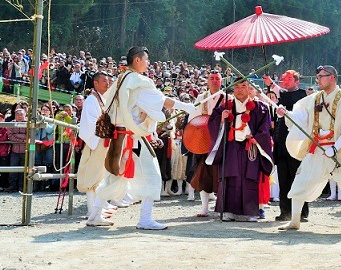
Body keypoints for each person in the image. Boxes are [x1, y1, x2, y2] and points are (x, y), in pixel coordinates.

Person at [87, 46, 195, 229]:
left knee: (115, 176)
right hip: (133, 137)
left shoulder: (121, 79)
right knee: (152, 175)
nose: (148, 63)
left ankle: (94, 216)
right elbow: (160, 100)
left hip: (121, 136)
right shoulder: (137, 81)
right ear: (137, 60)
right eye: (146, 60)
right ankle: (145, 219)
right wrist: (185, 106)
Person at [277, 65, 341, 234]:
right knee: (300, 183)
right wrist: (287, 114)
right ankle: (294, 221)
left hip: (340, 151)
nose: (318, 80)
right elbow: (302, 118)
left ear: (332, 77)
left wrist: (335, 147)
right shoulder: (313, 99)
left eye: (321, 76)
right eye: (317, 77)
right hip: (317, 150)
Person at [206, 79, 273, 222]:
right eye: (236, 87)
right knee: (230, 177)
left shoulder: (260, 107)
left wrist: (257, 138)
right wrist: (222, 119)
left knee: (250, 178)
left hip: (250, 146)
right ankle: (228, 211)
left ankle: (249, 213)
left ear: (250, 89)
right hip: (231, 146)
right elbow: (212, 122)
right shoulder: (226, 107)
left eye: (243, 86)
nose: (239, 89)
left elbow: (265, 129)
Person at [264, 70, 309, 222]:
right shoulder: (280, 96)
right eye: (284, 79)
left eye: (289, 79)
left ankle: (301, 212)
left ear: (297, 81)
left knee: (298, 177)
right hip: (281, 142)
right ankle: (285, 211)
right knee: (283, 179)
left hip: (297, 142)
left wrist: (272, 84)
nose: (286, 81)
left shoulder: (303, 96)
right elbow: (277, 91)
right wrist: (270, 83)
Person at [186, 70, 223, 216]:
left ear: (221, 81)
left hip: (222, 141)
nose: (214, 81)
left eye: (217, 78)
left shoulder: (227, 98)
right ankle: (204, 208)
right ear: (207, 81)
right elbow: (193, 120)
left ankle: (221, 206)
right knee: (203, 175)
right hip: (204, 142)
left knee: (221, 174)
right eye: (211, 78)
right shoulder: (201, 98)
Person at [77, 72, 111, 217]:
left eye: (109, 81)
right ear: (95, 83)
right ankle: (93, 212)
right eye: (104, 81)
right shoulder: (92, 99)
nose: (107, 83)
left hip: (102, 141)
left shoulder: (101, 99)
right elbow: (90, 122)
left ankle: (98, 210)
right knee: (92, 177)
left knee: (100, 177)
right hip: (96, 141)